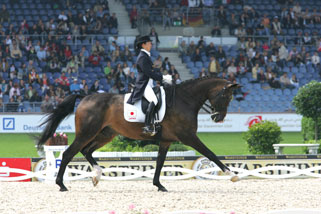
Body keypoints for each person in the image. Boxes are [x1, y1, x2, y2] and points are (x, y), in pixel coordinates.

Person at [127, 36, 166, 136]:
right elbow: (148, 72)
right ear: (143, 44)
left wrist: (161, 74)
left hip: (148, 83)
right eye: (149, 43)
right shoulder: (142, 57)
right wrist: (162, 78)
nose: (151, 44)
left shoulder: (146, 56)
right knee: (154, 100)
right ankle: (147, 126)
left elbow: (152, 70)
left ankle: (155, 122)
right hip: (143, 85)